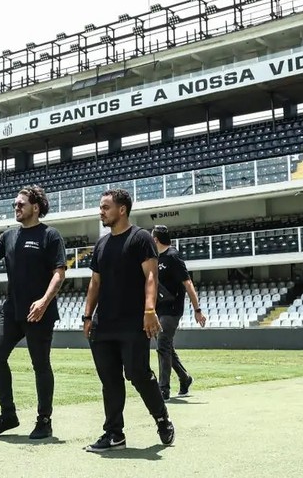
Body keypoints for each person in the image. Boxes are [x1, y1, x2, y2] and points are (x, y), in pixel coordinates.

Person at [81, 188, 175, 452]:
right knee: (110, 380)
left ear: (122, 210)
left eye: (105, 207)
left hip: (133, 323)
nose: (101, 211)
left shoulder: (140, 238)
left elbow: (151, 277)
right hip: (103, 324)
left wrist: (149, 310)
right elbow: (95, 283)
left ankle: (162, 418)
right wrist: (87, 316)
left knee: (138, 375)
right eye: (101, 207)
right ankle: (114, 434)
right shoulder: (101, 244)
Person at [0, 185, 67, 440]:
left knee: (40, 365)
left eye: (21, 204)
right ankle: (8, 415)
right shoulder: (9, 236)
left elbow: (59, 273)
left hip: (40, 312)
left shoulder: (50, 235)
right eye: (15, 204)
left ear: (35, 207)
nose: (16, 207)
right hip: (12, 309)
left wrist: (44, 302)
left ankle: (44, 420)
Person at [152, 224, 207, 400]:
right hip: (157, 309)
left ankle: (163, 389)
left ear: (155, 239)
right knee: (166, 347)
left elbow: (188, 283)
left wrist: (197, 309)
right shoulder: (155, 258)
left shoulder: (173, 257)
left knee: (162, 345)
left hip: (172, 309)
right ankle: (185, 378)